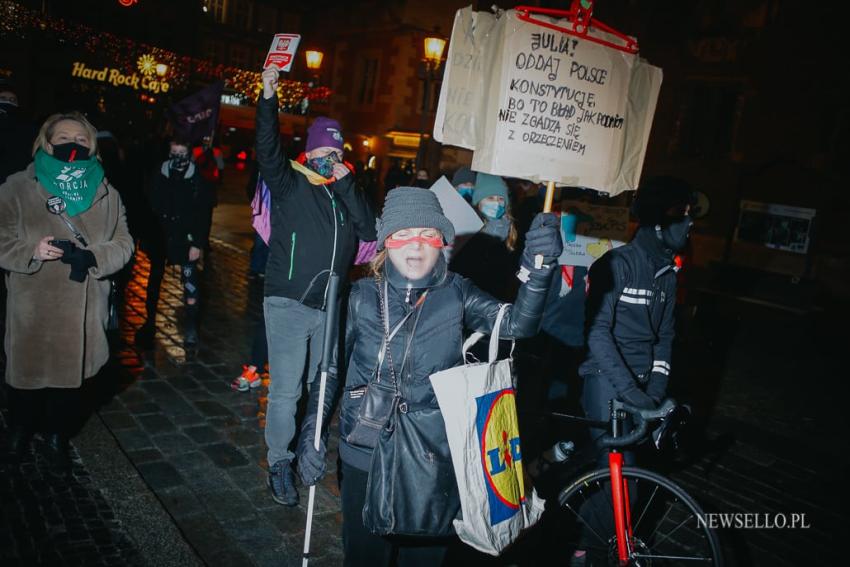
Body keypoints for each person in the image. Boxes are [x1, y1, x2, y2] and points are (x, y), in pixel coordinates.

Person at [295, 187, 563, 566]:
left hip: (433, 455)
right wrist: (313, 432)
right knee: (365, 556)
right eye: (403, 234)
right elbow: (330, 370)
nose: (416, 246)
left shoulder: (457, 293)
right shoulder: (359, 297)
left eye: (428, 235)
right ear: (387, 242)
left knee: (423, 558)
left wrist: (539, 271)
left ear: (442, 243)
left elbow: (518, 324)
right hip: (365, 452)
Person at [257, 64, 377, 506]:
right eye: (323, 150)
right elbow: (267, 149)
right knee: (287, 390)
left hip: (330, 307)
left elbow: (367, 230)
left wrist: (348, 187)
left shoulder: (343, 193)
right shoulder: (290, 183)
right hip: (289, 302)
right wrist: (269, 96)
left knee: (320, 387)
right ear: (308, 152)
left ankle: (309, 448)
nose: (331, 157)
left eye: (337, 151)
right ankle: (278, 462)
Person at [0, 111, 134, 470]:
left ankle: (57, 437)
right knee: (27, 381)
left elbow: (124, 244)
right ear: (46, 143)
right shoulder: (18, 186)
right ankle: (19, 431)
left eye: (81, 139)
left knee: (70, 387)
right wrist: (31, 251)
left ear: (92, 146)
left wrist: (93, 256)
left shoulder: (107, 193)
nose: (72, 144)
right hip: (34, 304)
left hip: (85, 307)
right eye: (62, 139)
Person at [571, 176, 694, 565]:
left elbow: (665, 337)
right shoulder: (616, 265)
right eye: (683, 217)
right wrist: (635, 396)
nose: (690, 225)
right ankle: (591, 551)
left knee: (615, 481)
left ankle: (586, 544)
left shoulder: (667, 275)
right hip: (606, 380)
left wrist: (655, 389)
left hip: (641, 387)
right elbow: (598, 337)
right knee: (624, 485)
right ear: (659, 224)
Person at [134, 138, 214, 348]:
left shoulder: (197, 180)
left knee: (190, 285)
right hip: (160, 237)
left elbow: (203, 214)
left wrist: (198, 243)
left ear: (189, 155)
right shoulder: (158, 175)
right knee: (154, 283)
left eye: (182, 152)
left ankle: (190, 327)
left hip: (186, 240)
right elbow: (148, 207)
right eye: (174, 152)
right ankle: (149, 322)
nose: (178, 157)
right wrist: (146, 236)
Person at [449, 172, 519, 302]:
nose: (497, 203)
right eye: (491, 198)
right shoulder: (468, 231)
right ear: (479, 202)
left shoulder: (511, 231)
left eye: (501, 199)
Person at [0, 79, 37, 185]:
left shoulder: (27, 127)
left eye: (13, 100)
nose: (8, 102)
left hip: (14, 185)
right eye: (3, 98)